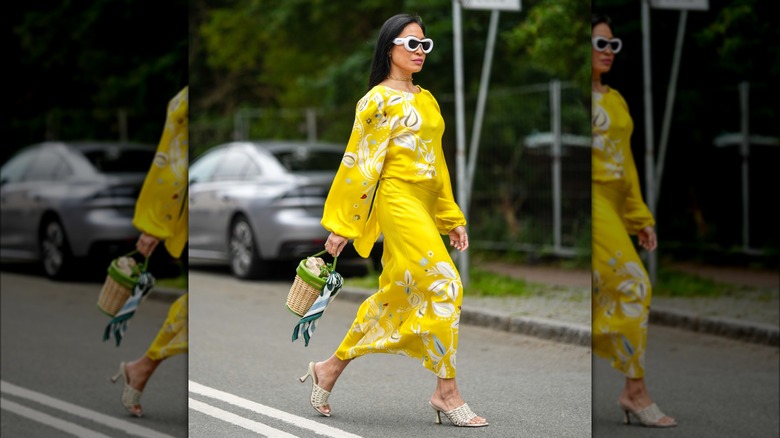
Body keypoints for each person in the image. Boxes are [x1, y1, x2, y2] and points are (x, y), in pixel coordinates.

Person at [299, 13, 488, 428]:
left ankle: (329, 367)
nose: (420, 52)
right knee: (445, 284)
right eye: (412, 44)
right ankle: (446, 391)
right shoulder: (376, 101)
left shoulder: (427, 98)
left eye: (425, 45)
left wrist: (449, 216)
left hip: (424, 201)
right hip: (396, 199)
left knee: (394, 296)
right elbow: (359, 164)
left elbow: (437, 162)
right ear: (389, 48)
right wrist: (343, 227)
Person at [591, 14, 677, 428]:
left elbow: (626, 164)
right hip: (591, 204)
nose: (608, 52)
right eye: (599, 44)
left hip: (613, 203)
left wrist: (639, 216)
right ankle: (635, 390)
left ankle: (632, 387)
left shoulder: (616, 99)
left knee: (615, 290)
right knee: (634, 283)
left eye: (613, 45)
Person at [110, 85, 189, 418]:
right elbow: (170, 161)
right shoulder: (184, 102)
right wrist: (155, 225)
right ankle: (143, 366)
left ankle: (142, 367)